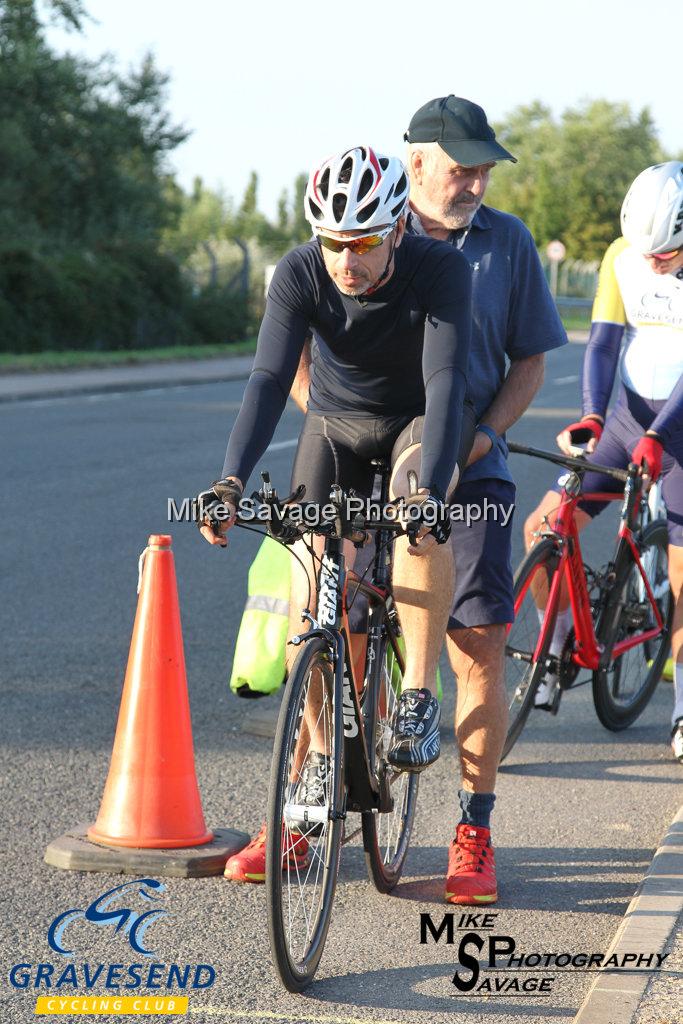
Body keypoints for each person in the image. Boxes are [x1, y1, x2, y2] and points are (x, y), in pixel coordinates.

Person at [289, 96, 568, 904]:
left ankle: (473, 826)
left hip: (467, 466)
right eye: (461, 166)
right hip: (364, 454)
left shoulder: (506, 244)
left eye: (483, 167)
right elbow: (296, 354)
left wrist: (481, 440)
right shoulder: (359, 224)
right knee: (324, 617)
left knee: (476, 638)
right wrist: (337, 429)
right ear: (415, 163)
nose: (475, 180)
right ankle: (308, 800)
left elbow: (527, 365)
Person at [200, 145, 474, 881]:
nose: (344, 261)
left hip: (416, 419)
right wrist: (229, 480)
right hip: (334, 425)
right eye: (331, 243)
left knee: (419, 521)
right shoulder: (297, 272)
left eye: (360, 243)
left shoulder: (439, 269)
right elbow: (265, 378)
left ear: (394, 231)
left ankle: (415, 693)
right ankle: (320, 757)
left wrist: (429, 489)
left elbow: (446, 378)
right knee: (310, 588)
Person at [523, 161, 683, 764]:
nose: (652, 262)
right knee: (543, 525)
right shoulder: (624, 253)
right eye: (646, 251)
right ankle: (555, 643)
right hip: (627, 420)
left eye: (666, 253)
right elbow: (604, 341)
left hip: (682, 432)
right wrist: (593, 414)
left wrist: (662, 434)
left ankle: (681, 708)